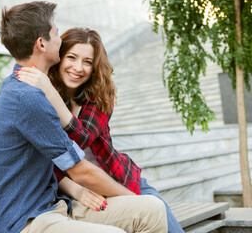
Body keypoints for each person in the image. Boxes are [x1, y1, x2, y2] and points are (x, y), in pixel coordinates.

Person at [0, 1, 168, 233]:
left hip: (59, 204)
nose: (60, 39)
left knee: (152, 209)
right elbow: (79, 170)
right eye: (55, 33)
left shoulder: (37, 90)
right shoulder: (26, 97)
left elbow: (75, 146)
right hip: (28, 219)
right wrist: (126, 197)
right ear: (41, 43)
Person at [16, 27, 184, 232]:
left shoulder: (101, 93)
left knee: (169, 227)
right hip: (77, 193)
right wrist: (75, 189)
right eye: (72, 57)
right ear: (59, 57)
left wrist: (51, 93)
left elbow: (82, 137)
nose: (78, 68)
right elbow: (47, 160)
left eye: (87, 61)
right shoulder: (39, 99)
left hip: (118, 178)